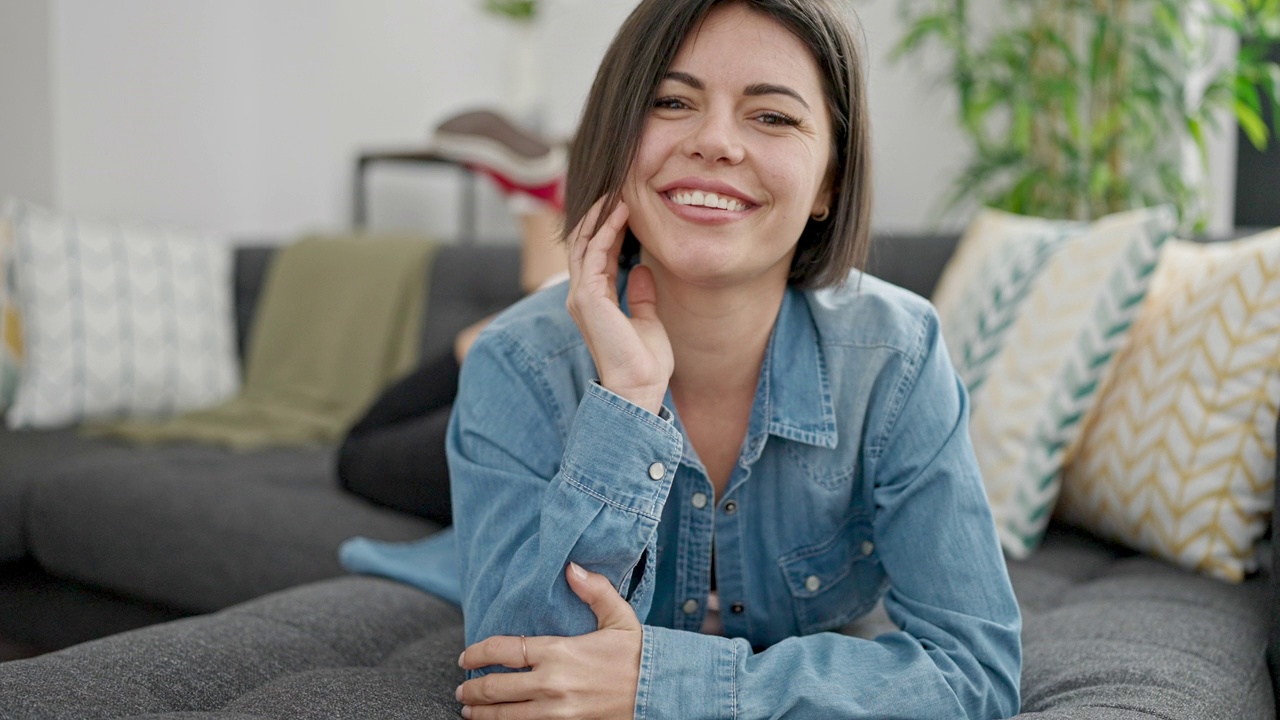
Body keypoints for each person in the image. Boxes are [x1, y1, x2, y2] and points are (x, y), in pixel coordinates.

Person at [448, 1, 1023, 718]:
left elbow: (974, 674)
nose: (715, 141)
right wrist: (627, 400)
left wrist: (659, 683)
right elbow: (520, 686)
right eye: (671, 101)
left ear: (829, 183)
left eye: (773, 116)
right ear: (616, 139)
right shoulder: (517, 364)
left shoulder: (896, 358)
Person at [336, 111, 568, 526]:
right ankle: (549, 271)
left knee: (356, 455)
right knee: (496, 341)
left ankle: (545, 244)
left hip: (557, 422)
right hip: (568, 384)